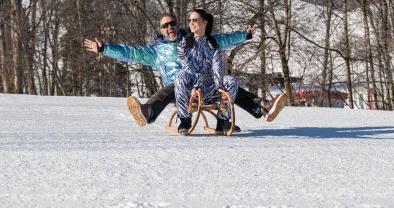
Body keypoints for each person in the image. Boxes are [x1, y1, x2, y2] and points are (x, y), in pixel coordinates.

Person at [84, 13, 286, 130]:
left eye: (172, 23)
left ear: (177, 25)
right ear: (161, 30)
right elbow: (130, 52)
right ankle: (147, 111)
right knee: (176, 82)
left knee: (226, 82)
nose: (170, 27)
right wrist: (104, 48)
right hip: (180, 89)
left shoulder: (192, 39)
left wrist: (245, 35)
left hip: (204, 85)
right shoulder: (155, 52)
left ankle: (263, 107)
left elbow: (221, 40)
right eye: (165, 26)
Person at [175, 9, 238, 134]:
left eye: (195, 20)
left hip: (210, 89)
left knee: (231, 80)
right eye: (190, 20)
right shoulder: (184, 44)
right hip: (191, 90)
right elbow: (188, 67)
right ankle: (185, 120)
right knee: (181, 76)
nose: (191, 23)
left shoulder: (213, 45)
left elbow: (217, 67)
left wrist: (220, 86)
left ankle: (223, 121)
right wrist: (196, 85)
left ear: (204, 22)